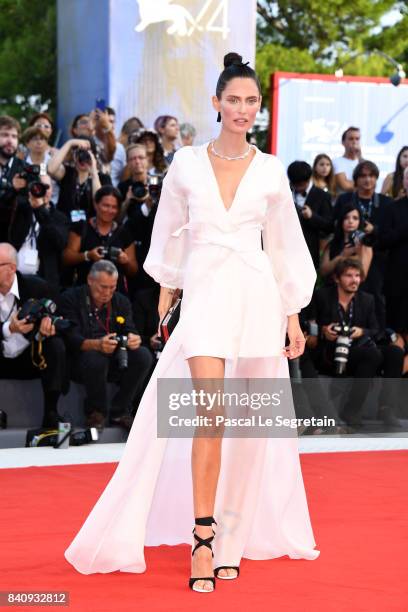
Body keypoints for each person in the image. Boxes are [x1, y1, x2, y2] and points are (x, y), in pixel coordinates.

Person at [64, 51, 320, 592]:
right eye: (234, 100)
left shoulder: (272, 169)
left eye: (252, 101)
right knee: (210, 417)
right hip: (204, 294)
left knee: (249, 430)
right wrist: (167, 289)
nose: (244, 110)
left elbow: (283, 247)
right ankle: (202, 538)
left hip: (256, 297)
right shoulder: (185, 164)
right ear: (216, 103)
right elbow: (169, 234)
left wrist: (293, 314)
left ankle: (232, 536)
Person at [59, 260, 153, 431]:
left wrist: (134, 339)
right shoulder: (70, 298)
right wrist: (96, 344)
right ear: (90, 280)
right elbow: (70, 337)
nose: (107, 293)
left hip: (116, 358)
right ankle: (96, 412)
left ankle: (121, 410)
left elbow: (130, 329)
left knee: (143, 355)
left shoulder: (121, 301)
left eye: (112, 287)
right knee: (95, 358)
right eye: (102, 287)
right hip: (81, 360)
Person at [0, 243, 67, 428]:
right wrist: (8, 329)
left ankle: (51, 412)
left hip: (30, 356)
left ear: (11, 268)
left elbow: (62, 319)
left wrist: (48, 325)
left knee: (56, 345)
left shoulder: (36, 287)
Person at [333, 161, 392, 329]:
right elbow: (334, 224)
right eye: (363, 176)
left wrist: (375, 229)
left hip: (378, 258)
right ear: (356, 179)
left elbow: (390, 232)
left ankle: (377, 333)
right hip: (347, 253)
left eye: (372, 176)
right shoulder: (344, 199)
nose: (368, 180)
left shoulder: (386, 202)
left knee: (376, 296)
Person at [62, 185, 137, 295]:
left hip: (115, 295)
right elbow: (66, 257)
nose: (110, 210)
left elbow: (133, 270)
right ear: (95, 204)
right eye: (106, 205)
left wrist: (125, 261)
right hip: (85, 292)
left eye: (114, 207)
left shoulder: (124, 233)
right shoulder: (81, 227)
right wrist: (87, 255)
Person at [8, 174, 69, 288]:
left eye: (47, 187)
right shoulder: (21, 209)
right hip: (13, 276)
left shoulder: (60, 217)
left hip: (43, 280)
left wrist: (40, 210)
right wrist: (14, 190)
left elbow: (59, 243)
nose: (43, 191)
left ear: (53, 190)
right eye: (39, 187)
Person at [48, 138, 111, 222]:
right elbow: (51, 169)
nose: (82, 158)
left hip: (88, 227)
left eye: (86, 154)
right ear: (74, 156)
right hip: (63, 225)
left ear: (94, 156)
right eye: (79, 153)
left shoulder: (103, 178)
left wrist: (94, 173)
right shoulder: (67, 172)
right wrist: (70, 143)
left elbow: (100, 201)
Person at [287, 160, 333, 269]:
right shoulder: (284, 193)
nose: (298, 187)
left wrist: (312, 217)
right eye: (295, 184)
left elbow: (329, 226)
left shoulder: (322, 196)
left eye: (301, 184)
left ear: (309, 179)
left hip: (309, 255)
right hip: (285, 253)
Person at [0, 116, 27, 242]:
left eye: (14, 136)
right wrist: (13, 189)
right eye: (5, 135)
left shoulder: (26, 169)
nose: (10, 140)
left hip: (14, 243)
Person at [332, 127, 362, 194]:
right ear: (343, 142)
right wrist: (362, 184)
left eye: (357, 139)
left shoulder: (364, 162)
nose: (354, 142)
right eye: (351, 139)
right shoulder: (336, 162)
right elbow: (346, 186)